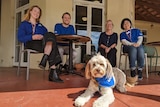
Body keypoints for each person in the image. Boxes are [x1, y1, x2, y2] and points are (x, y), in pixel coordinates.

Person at [17, 5, 63, 83]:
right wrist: (32, 37)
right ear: (30, 12)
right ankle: (52, 70)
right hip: (30, 43)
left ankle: (45, 59)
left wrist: (42, 37)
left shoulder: (41, 26)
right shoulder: (24, 24)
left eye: (38, 12)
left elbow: (48, 37)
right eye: (35, 11)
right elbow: (20, 38)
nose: (36, 13)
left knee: (51, 35)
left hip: (41, 44)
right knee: (52, 45)